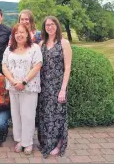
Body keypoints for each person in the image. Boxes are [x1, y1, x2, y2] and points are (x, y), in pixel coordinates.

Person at [2, 23, 43, 155]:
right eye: (16, 33)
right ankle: (19, 140)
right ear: (13, 35)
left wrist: (24, 82)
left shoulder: (34, 48)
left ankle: (28, 142)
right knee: (16, 115)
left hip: (29, 87)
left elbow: (37, 66)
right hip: (14, 87)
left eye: (22, 32)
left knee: (28, 115)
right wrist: (14, 82)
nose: (19, 35)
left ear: (27, 33)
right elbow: (4, 66)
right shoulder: (9, 49)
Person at [38, 16, 72, 158]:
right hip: (44, 86)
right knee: (45, 115)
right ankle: (47, 142)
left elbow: (68, 67)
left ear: (57, 26)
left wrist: (63, 89)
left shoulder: (63, 43)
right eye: (47, 25)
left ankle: (58, 144)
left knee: (58, 115)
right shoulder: (41, 44)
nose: (50, 27)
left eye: (52, 24)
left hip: (58, 86)